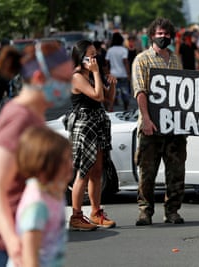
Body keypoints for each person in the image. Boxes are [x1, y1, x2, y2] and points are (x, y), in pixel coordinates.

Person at [0, 41, 72, 267]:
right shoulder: (18, 118)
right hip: (6, 247)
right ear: (39, 78)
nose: (69, 86)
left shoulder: (35, 116)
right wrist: (13, 242)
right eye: (64, 80)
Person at [132, 18, 187, 226]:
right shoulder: (142, 60)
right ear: (152, 35)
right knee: (147, 173)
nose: (163, 37)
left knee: (176, 172)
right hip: (150, 128)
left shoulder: (175, 60)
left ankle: (172, 211)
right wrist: (146, 119)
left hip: (174, 128)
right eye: (159, 33)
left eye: (166, 34)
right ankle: (145, 211)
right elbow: (140, 91)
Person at [68, 39, 117, 231]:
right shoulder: (78, 77)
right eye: (90, 55)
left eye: (96, 54)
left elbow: (107, 100)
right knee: (83, 172)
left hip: (98, 122)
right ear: (81, 57)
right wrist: (97, 73)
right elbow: (97, 96)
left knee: (97, 170)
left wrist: (111, 83)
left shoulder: (91, 75)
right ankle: (76, 216)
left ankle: (96, 212)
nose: (95, 58)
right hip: (85, 124)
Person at [7, 126, 71, 267]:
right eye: (64, 161)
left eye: (70, 159)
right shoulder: (37, 205)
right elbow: (29, 255)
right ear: (44, 164)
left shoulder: (54, 192)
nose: (71, 165)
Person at [106, 32, 131, 111]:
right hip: (123, 75)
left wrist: (107, 73)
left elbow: (106, 63)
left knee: (112, 93)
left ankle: (111, 109)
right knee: (125, 93)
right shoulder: (124, 50)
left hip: (113, 75)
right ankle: (125, 108)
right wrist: (128, 74)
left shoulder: (110, 50)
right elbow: (125, 62)